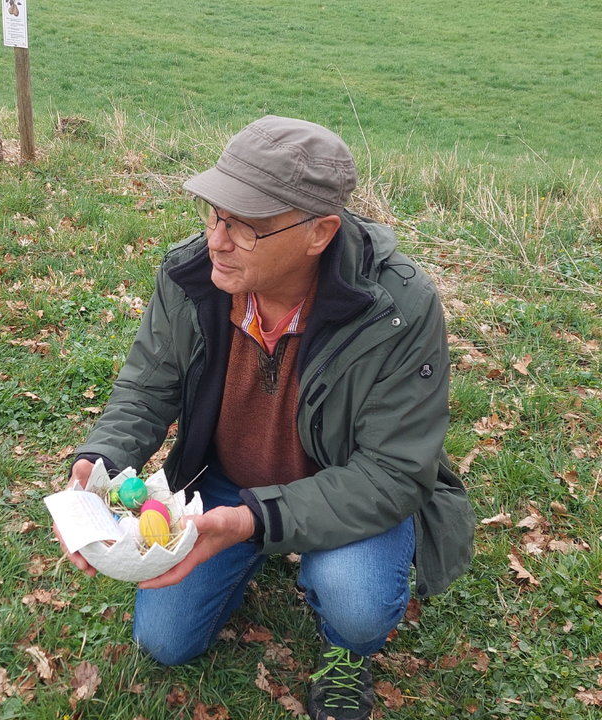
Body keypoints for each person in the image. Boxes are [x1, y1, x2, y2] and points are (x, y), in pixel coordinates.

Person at [54, 116, 475, 720]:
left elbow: (392, 474)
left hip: (341, 482)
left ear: (319, 232)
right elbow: (146, 388)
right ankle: (254, 548)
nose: (217, 240)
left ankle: (346, 654)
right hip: (221, 482)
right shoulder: (194, 275)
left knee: (356, 600)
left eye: (245, 227)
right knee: (163, 640)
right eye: (214, 213)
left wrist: (253, 520)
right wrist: (100, 459)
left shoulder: (398, 310)